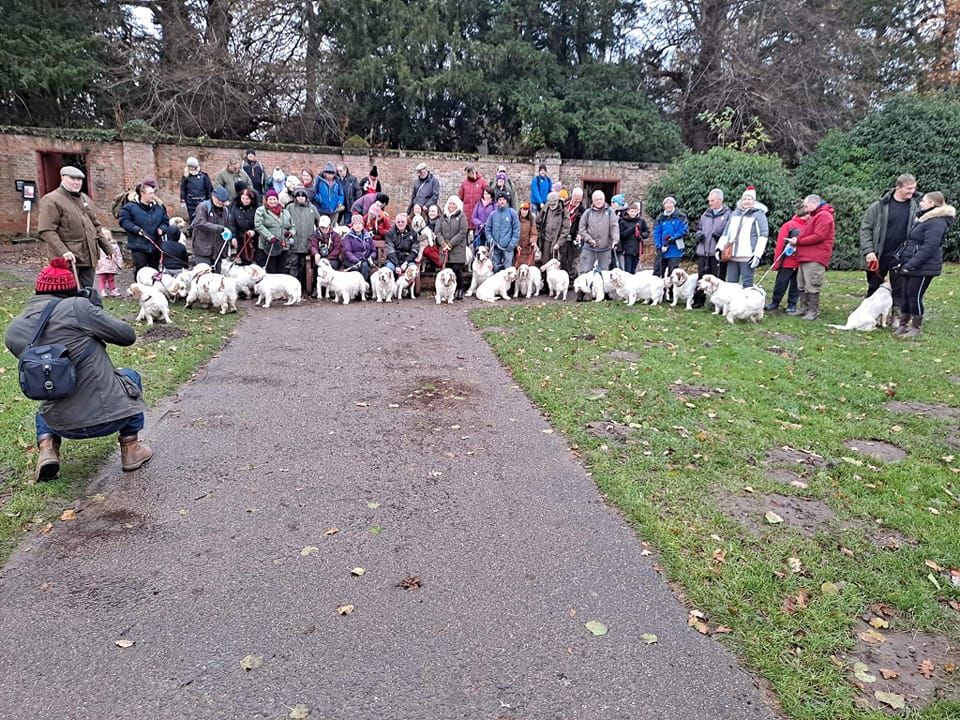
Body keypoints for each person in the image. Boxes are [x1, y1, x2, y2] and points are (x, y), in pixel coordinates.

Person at [4, 259, 153, 482]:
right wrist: (94, 310)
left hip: (60, 423)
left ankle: (47, 448)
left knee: (47, 398)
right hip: (109, 418)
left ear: (37, 290)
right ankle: (130, 449)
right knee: (131, 376)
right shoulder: (77, 307)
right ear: (72, 289)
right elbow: (127, 336)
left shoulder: (15, 328)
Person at [38, 165, 119, 289]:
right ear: (63, 178)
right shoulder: (51, 200)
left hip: (89, 256)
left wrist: (107, 248)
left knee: (86, 292)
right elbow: (47, 230)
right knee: (68, 294)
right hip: (68, 260)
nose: (77, 182)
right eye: (72, 178)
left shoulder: (85, 198)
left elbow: (96, 225)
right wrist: (63, 251)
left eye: (79, 179)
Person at [859, 173, 920, 331]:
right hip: (879, 254)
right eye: (908, 188)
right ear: (898, 187)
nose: (912, 192)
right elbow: (865, 229)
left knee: (899, 287)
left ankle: (896, 317)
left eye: (914, 188)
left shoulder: (916, 206)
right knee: (873, 285)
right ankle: (870, 313)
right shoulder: (879, 206)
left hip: (902, 255)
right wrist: (868, 250)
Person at [894, 191, 952, 338]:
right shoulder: (923, 218)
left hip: (924, 266)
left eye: (924, 201)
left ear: (932, 204)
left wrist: (911, 264)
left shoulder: (937, 222)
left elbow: (929, 247)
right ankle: (903, 324)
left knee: (915, 295)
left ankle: (916, 327)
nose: (921, 203)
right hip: (911, 262)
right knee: (906, 294)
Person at [790, 194, 835, 320]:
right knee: (802, 283)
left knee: (812, 283)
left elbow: (819, 236)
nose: (804, 208)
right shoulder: (815, 216)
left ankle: (813, 311)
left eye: (806, 205)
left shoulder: (824, 216)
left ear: (814, 203)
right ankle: (804, 308)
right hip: (805, 255)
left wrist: (798, 241)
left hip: (816, 256)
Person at [715, 188, 768, 288]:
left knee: (747, 284)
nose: (747, 201)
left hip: (748, 256)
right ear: (741, 200)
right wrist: (719, 248)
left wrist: (757, 254)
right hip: (732, 255)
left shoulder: (759, 215)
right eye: (745, 199)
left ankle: (748, 303)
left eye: (750, 199)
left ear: (754, 201)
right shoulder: (734, 214)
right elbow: (726, 233)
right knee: (731, 284)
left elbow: (763, 235)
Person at [119, 177, 170, 275]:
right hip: (138, 245)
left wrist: (162, 228)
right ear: (142, 194)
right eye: (150, 193)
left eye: (153, 193)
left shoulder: (159, 207)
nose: (153, 196)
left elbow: (165, 221)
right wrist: (135, 229)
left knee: (154, 272)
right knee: (140, 271)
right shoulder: (129, 207)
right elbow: (124, 221)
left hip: (155, 245)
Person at [764, 209, 808, 314]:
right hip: (787, 260)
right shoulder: (789, 225)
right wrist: (777, 261)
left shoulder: (810, 226)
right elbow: (780, 244)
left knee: (796, 284)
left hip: (801, 260)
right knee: (781, 282)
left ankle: (792, 304)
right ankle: (775, 302)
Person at [695, 189, 732, 294]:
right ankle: (699, 299)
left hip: (718, 252)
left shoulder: (728, 215)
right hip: (703, 250)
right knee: (701, 276)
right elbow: (699, 228)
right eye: (709, 201)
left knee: (718, 278)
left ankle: (717, 300)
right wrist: (699, 235)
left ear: (720, 200)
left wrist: (720, 237)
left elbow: (730, 232)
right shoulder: (705, 215)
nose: (710, 203)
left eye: (712, 201)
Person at [431, 196, 469, 298]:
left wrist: (451, 244)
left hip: (457, 248)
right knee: (446, 271)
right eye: (450, 204)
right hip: (445, 248)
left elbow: (462, 232)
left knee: (456, 269)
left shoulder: (461, 216)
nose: (451, 206)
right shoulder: (442, 217)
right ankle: (444, 291)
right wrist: (443, 244)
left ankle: (460, 289)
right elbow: (437, 232)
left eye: (454, 204)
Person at [286, 188, 321, 293]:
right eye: (298, 196)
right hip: (294, 242)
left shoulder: (312, 208)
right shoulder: (290, 208)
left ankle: (303, 287)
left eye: (303, 196)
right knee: (293, 265)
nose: (300, 198)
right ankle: (292, 288)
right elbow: (285, 221)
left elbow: (318, 222)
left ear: (306, 197)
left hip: (307, 243)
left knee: (304, 266)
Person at [577, 190, 619, 275]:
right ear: (593, 200)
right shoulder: (587, 213)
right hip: (589, 248)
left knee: (603, 274)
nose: (599, 201)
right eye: (596, 199)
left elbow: (614, 226)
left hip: (605, 248)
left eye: (600, 199)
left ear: (604, 199)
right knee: (585, 272)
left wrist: (615, 239)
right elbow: (581, 229)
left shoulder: (610, 212)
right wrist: (589, 239)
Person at [191, 187, 232, 271]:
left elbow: (227, 227)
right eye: (218, 200)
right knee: (204, 276)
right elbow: (199, 223)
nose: (220, 202)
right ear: (213, 197)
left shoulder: (225, 211)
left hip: (218, 251)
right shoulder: (203, 207)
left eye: (223, 201)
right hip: (203, 249)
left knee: (216, 278)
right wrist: (219, 228)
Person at [255, 189, 295, 274]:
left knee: (281, 270)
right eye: (270, 199)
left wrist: (290, 233)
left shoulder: (285, 212)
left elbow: (292, 226)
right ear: (266, 200)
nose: (273, 201)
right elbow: (258, 225)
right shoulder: (261, 211)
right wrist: (270, 237)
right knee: (270, 270)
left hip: (283, 246)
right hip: (269, 246)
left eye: (274, 199)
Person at [653, 196, 688, 279]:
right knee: (657, 272)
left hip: (675, 249)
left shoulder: (681, 216)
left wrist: (672, 238)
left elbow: (684, 230)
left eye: (670, 203)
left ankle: (672, 291)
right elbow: (657, 232)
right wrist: (659, 245)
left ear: (674, 204)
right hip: (662, 250)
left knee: (672, 274)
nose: (668, 205)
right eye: (666, 203)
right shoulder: (660, 218)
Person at [485, 191, 521, 272]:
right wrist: (491, 240)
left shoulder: (512, 213)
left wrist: (512, 244)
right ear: (497, 201)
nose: (502, 201)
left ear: (506, 201)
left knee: (508, 270)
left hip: (508, 248)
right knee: (495, 269)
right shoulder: (493, 215)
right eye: (500, 199)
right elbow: (487, 229)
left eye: (504, 199)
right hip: (496, 247)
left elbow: (516, 230)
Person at [310, 215, 345, 289]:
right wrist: (316, 253)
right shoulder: (315, 235)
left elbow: (337, 248)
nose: (324, 229)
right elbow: (313, 245)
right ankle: (316, 287)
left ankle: (332, 287)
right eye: (322, 227)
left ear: (329, 226)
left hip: (332, 258)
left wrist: (328, 258)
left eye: (326, 227)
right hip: (320, 257)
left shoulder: (335, 235)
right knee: (317, 266)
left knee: (332, 266)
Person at [537, 191, 571, 266]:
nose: (552, 206)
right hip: (546, 240)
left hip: (557, 241)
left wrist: (559, 243)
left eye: (553, 204)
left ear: (558, 201)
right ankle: (545, 277)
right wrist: (539, 236)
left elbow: (566, 229)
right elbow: (538, 222)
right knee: (545, 262)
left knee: (555, 264)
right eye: (550, 204)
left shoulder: (564, 211)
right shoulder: (545, 208)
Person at [228, 188, 260, 265]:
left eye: (247, 199)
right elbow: (232, 223)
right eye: (243, 198)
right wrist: (233, 237)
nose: (245, 200)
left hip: (255, 239)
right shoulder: (235, 207)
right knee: (244, 260)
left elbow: (260, 222)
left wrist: (254, 231)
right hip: (241, 238)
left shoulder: (257, 208)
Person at [342, 213, 377, 281]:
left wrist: (371, 257)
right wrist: (356, 260)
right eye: (356, 224)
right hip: (352, 261)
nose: (358, 225)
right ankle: (356, 288)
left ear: (362, 225)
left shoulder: (368, 236)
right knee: (356, 268)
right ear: (352, 225)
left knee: (364, 265)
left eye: (359, 223)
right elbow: (348, 251)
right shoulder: (348, 237)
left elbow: (373, 250)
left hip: (365, 260)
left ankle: (363, 286)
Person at [459, 164, 488, 244]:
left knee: (477, 237)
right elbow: (461, 196)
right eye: (468, 173)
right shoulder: (464, 183)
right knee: (464, 236)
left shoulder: (482, 182)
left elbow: (487, 195)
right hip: (467, 213)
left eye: (471, 172)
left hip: (478, 214)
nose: (470, 175)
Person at [179, 156, 213, 224]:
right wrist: (183, 200)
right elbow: (183, 189)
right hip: (191, 203)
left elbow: (209, 189)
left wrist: (209, 201)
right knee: (193, 221)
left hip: (202, 201)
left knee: (203, 219)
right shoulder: (186, 176)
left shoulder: (203, 176)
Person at [618, 202, 649, 274]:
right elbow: (622, 234)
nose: (633, 213)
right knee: (627, 271)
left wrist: (642, 236)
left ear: (637, 211)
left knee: (633, 270)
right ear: (628, 211)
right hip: (627, 249)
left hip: (637, 249)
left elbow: (647, 231)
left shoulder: (641, 221)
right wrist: (633, 229)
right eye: (631, 211)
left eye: (635, 211)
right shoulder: (623, 221)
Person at [565, 187, 586, 275]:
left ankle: (571, 278)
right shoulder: (564, 204)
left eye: (579, 199)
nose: (577, 200)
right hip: (563, 234)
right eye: (575, 198)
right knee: (562, 257)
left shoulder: (582, 210)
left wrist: (579, 234)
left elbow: (583, 224)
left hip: (574, 236)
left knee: (572, 258)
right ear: (572, 195)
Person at [514, 201, 539, 268]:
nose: (524, 211)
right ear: (520, 210)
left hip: (528, 248)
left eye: (526, 210)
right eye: (522, 209)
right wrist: (516, 244)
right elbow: (513, 233)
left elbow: (534, 233)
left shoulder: (531, 220)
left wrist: (533, 242)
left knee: (528, 268)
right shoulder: (516, 220)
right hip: (518, 248)